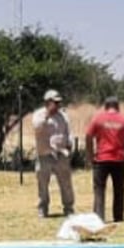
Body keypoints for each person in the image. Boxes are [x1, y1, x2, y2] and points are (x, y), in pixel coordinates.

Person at [85, 96, 124, 222]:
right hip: (119, 159)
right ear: (118, 106)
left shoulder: (98, 119)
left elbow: (88, 136)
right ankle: (118, 216)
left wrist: (91, 155)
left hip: (101, 159)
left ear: (105, 106)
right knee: (119, 189)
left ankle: (99, 216)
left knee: (99, 189)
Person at [32, 89, 75, 218]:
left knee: (66, 183)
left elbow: (68, 130)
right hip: (44, 154)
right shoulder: (39, 114)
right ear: (47, 102)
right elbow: (37, 128)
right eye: (55, 102)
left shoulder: (63, 115)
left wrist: (69, 143)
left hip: (61, 154)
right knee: (43, 184)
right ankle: (43, 209)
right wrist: (47, 115)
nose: (58, 105)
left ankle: (68, 208)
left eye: (59, 103)